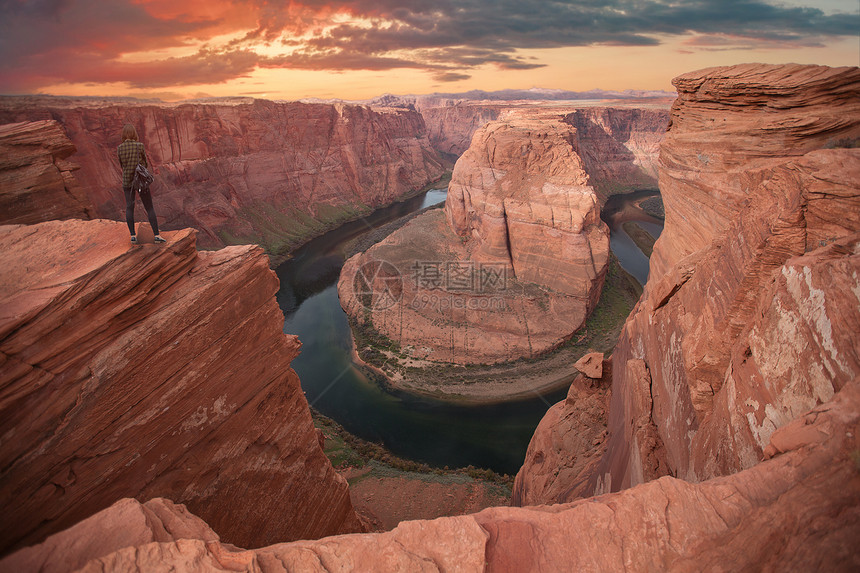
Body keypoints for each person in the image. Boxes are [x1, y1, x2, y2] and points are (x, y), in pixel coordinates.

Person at [117, 123, 166, 244]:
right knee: (149, 207)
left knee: (129, 207)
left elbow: (121, 165)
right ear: (134, 134)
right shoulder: (139, 146)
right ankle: (157, 236)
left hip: (127, 181)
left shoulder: (120, 148)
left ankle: (133, 236)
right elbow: (144, 163)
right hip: (140, 180)